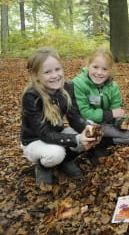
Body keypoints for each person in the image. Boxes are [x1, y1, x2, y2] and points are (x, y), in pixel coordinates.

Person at [21, 47, 96, 185]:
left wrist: (88, 128)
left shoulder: (67, 88)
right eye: (47, 72)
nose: (55, 75)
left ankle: (65, 162)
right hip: (34, 140)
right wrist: (77, 139)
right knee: (56, 153)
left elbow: (74, 118)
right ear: (36, 75)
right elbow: (44, 133)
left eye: (57, 69)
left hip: (56, 133)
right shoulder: (31, 96)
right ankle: (43, 167)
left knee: (88, 130)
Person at [72, 48, 129, 163]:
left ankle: (103, 142)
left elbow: (117, 111)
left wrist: (123, 123)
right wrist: (110, 114)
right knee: (82, 138)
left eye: (104, 69)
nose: (99, 73)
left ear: (110, 70)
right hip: (84, 125)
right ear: (88, 65)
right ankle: (92, 146)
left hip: (105, 125)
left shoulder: (113, 87)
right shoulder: (78, 84)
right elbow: (84, 112)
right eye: (95, 67)